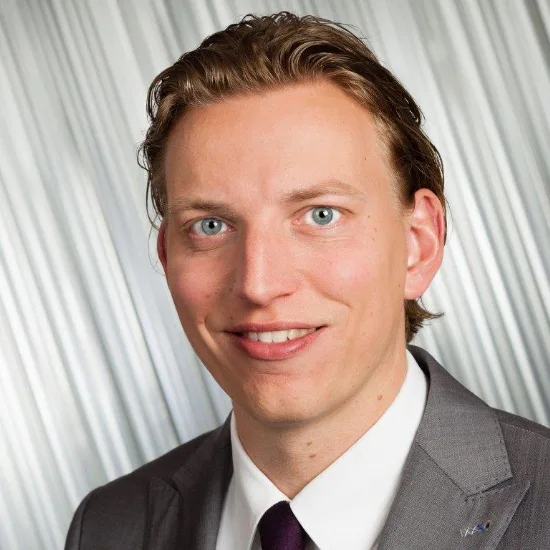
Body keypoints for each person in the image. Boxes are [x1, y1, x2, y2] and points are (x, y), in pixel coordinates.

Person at [65, 11, 550, 550]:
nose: (259, 284)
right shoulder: (107, 528)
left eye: (321, 215)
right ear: (166, 254)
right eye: (210, 225)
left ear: (419, 244)